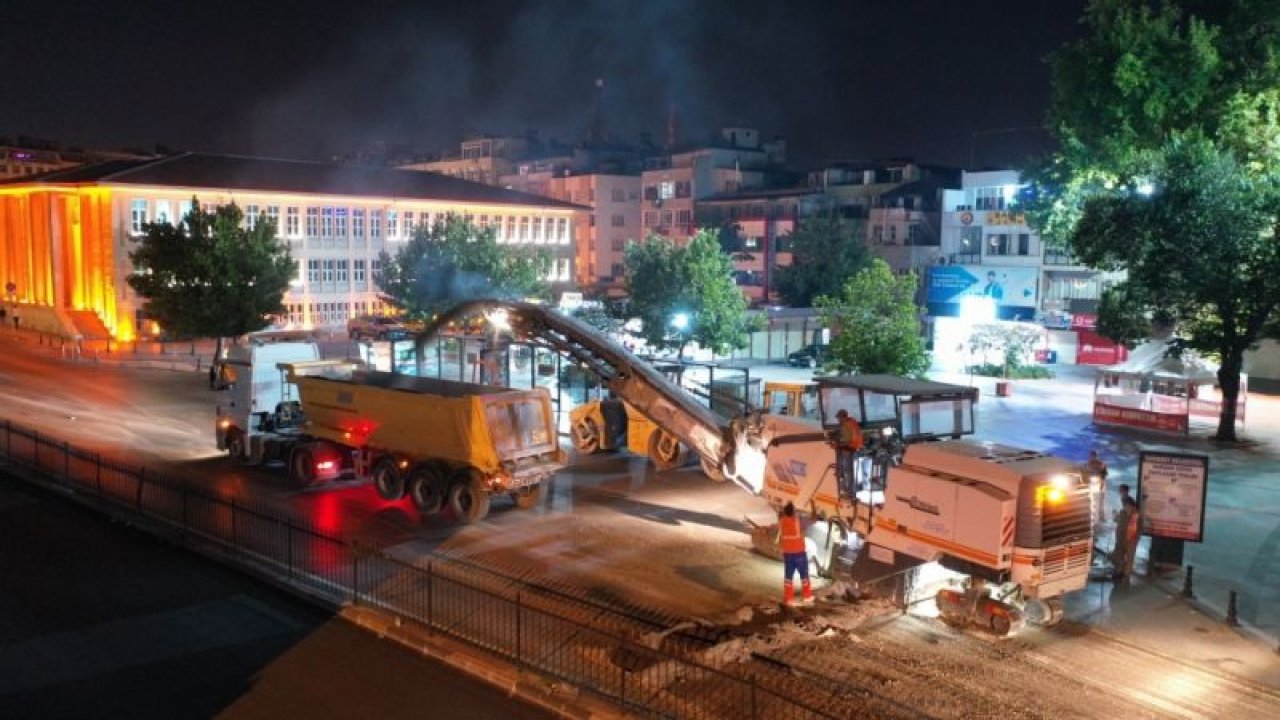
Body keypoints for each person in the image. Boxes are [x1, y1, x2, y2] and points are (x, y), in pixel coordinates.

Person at [777, 502, 814, 606]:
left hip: (788, 555)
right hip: (799, 554)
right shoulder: (799, 521)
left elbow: (780, 515)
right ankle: (807, 596)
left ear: (785, 512)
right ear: (794, 512)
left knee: (788, 578)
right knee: (804, 576)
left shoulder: (782, 522)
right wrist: (813, 506)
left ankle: (789, 599)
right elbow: (814, 519)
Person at [834, 409, 864, 496]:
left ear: (843, 417)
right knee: (850, 470)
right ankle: (850, 489)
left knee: (847, 470)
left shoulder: (846, 426)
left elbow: (846, 441)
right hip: (854, 448)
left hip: (849, 449)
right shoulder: (852, 422)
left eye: (839, 418)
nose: (838, 420)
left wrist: (838, 444)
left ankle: (849, 490)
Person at [1111, 494, 1140, 579]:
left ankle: (1125, 575)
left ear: (1130, 505)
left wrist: (1135, 538)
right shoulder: (1122, 512)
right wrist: (1114, 514)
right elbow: (1116, 520)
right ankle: (1119, 571)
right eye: (1123, 504)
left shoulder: (1136, 515)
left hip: (1131, 539)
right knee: (1118, 555)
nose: (1124, 506)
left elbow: (1138, 529)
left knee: (1129, 558)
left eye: (1125, 504)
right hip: (1120, 538)